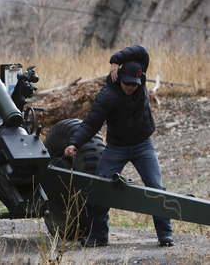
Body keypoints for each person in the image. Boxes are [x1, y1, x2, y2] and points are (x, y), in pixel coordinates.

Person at [64, 45, 174, 248]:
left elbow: (141, 51)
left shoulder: (140, 80)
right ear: (119, 77)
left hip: (143, 145)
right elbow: (91, 123)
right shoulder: (108, 95)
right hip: (117, 148)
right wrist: (74, 143)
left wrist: (116, 58)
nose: (130, 87)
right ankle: (98, 235)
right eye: (127, 84)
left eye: (134, 84)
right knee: (101, 188)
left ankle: (165, 233)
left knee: (156, 187)